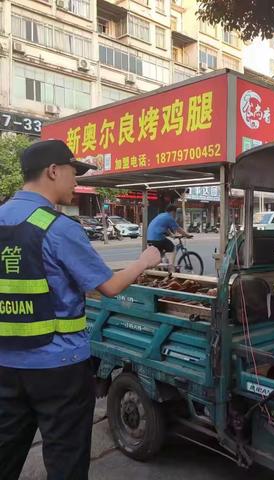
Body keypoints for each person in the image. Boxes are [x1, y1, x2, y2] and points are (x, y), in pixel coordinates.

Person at [0, 139, 161, 480]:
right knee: (66, 461)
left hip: (4, 364)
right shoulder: (58, 228)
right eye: (74, 173)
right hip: (58, 369)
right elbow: (108, 288)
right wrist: (144, 260)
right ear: (53, 171)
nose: (77, 182)